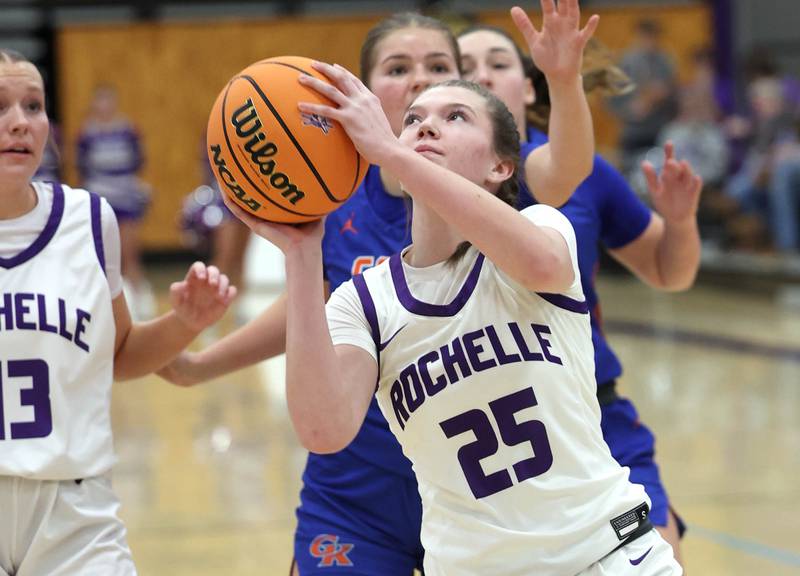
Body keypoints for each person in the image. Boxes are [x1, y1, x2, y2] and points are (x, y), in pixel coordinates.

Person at [225, 6, 686, 572]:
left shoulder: (543, 230)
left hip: (607, 555)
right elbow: (323, 429)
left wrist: (391, 152)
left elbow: (542, 262)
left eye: (456, 116)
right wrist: (300, 254)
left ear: (500, 166)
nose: (425, 124)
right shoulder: (364, 300)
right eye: (413, 118)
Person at [457, 24, 703, 567]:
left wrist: (680, 223)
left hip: (595, 410)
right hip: (494, 437)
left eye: (497, 61)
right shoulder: (424, 188)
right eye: (463, 64)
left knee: (661, 557)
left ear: (527, 86)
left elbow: (669, 272)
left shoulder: (582, 169)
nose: (481, 73)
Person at [0, 48, 237, 575]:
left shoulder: (87, 220)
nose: (19, 123)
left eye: (33, 106)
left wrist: (185, 324)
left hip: (73, 510)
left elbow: (118, 356)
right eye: (0, 107)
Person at [77, 84, 154, 319]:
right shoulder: (86, 133)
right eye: (100, 101)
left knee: (129, 252)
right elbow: (82, 167)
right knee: (102, 255)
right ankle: (104, 307)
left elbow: (139, 161)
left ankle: (141, 299)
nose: (104, 106)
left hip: (126, 195)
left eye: (108, 100)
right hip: (100, 197)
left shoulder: (128, 129)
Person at [607, 18, 679, 181]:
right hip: (633, 130)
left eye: (654, 37)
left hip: (660, 127)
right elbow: (611, 100)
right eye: (646, 37)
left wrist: (664, 94)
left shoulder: (665, 62)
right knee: (632, 175)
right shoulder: (625, 63)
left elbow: (675, 97)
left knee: (660, 173)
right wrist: (630, 109)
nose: (650, 42)